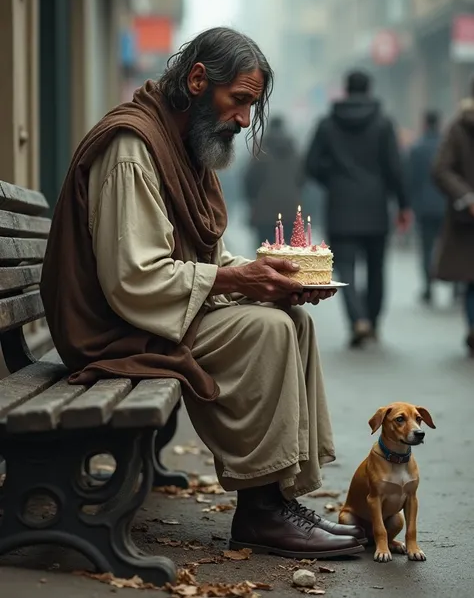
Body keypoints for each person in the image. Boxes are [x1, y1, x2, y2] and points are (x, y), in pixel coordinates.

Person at [40, 28, 365, 558]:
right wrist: (238, 282)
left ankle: (277, 497)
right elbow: (134, 279)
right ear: (197, 81)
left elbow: (202, 260)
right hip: (112, 329)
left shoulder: (181, 142)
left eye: (250, 107)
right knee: (266, 329)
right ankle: (259, 512)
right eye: (238, 101)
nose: (242, 119)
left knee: (288, 317)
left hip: (147, 315)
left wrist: (268, 276)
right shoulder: (133, 147)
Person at [305, 70, 411, 347]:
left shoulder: (327, 123)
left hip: (341, 207)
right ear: (369, 88)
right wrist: (403, 205)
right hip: (376, 206)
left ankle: (357, 320)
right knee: (376, 269)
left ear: (346, 89)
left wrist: (334, 179)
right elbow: (394, 168)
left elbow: (311, 165)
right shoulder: (384, 124)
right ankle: (372, 322)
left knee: (345, 267)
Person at [432, 90, 474, 356]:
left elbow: (441, 169)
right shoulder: (461, 127)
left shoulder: (459, 124)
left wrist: (466, 196)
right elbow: (440, 168)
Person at [243, 115, 303, 248]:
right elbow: (302, 180)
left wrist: (252, 201)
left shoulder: (260, 153)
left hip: (264, 212)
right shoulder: (295, 154)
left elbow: (250, 181)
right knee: (289, 252)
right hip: (290, 210)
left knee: (266, 253)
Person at [407, 110, 446, 304]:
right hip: (448, 205)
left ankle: (428, 287)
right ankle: (456, 287)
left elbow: (411, 180)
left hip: (424, 207)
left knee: (426, 248)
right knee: (448, 246)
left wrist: (409, 205)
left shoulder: (417, 148)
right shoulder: (446, 146)